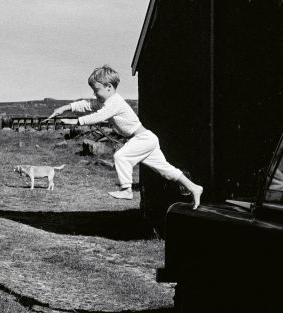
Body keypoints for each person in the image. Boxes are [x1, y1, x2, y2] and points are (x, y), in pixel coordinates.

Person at [48, 65, 203, 209]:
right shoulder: (104, 101)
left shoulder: (115, 102)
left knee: (121, 156)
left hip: (143, 139)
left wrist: (77, 121)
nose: (94, 94)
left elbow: (100, 116)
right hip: (146, 139)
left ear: (109, 87)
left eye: (96, 90)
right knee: (165, 171)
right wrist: (64, 107)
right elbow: (86, 104)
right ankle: (193, 187)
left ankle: (126, 190)